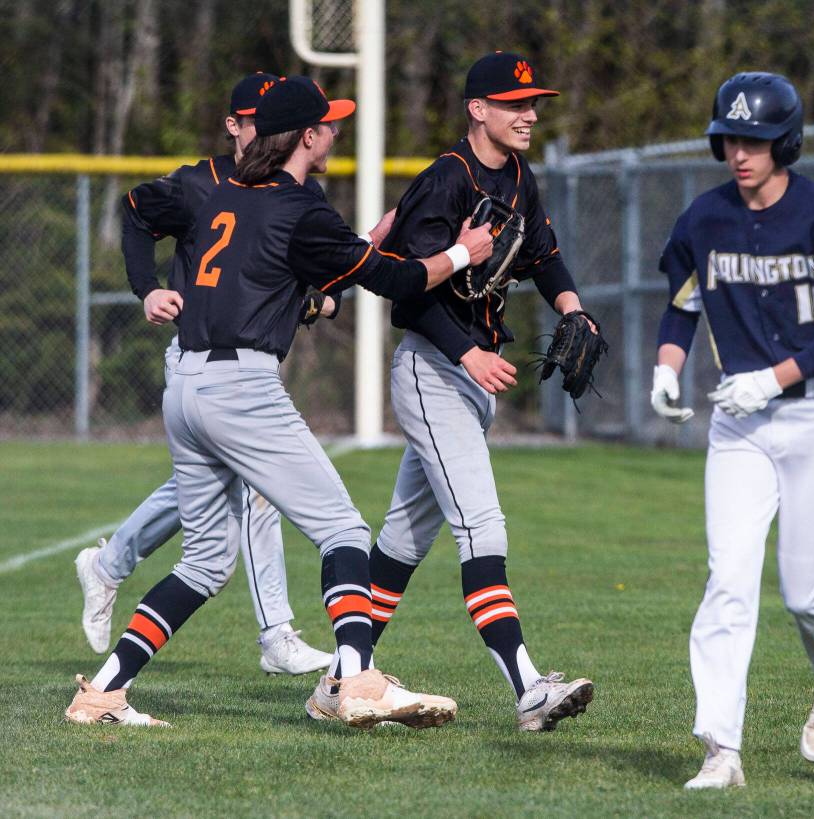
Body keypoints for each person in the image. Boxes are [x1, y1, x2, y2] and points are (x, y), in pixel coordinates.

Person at [65, 75, 494, 729]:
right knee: (344, 532)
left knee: (206, 561)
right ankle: (358, 679)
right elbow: (398, 279)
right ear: (308, 136)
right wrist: (465, 252)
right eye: (329, 124)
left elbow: (296, 266)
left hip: (185, 384)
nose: (336, 132)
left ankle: (103, 690)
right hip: (241, 386)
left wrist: (363, 243)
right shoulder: (299, 207)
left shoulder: (227, 192)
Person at [73, 72, 356, 676]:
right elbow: (134, 213)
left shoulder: (292, 191)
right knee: (256, 496)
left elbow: (297, 281)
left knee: (210, 503)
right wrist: (147, 288)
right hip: (205, 361)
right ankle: (276, 635)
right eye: (259, 119)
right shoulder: (202, 182)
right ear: (235, 125)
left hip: (236, 368)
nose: (270, 131)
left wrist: (317, 301)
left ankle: (108, 568)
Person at [650, 72, 814, 788]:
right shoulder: (704, 219)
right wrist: (667, 365)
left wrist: (773, 376)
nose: (740, 153)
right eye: (731, 139)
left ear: (786, 143)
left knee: (805, 591)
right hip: (740, 428)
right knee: (728, 581)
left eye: (756, 141)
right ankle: (721, 749)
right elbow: (682, 304)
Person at [367, 52, 594, 732]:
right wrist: (467, 353)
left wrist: (574, 309)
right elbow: (407, 294)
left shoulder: (523, 179)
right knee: (481, 527)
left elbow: (544, 257)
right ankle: (529, 690)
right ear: (478, 109)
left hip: (469, 380)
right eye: (514, 101)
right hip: (434, 371)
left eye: (533, 102)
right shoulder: (445, 181)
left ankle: (343, 674)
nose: (529, 112)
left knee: (404, 540)